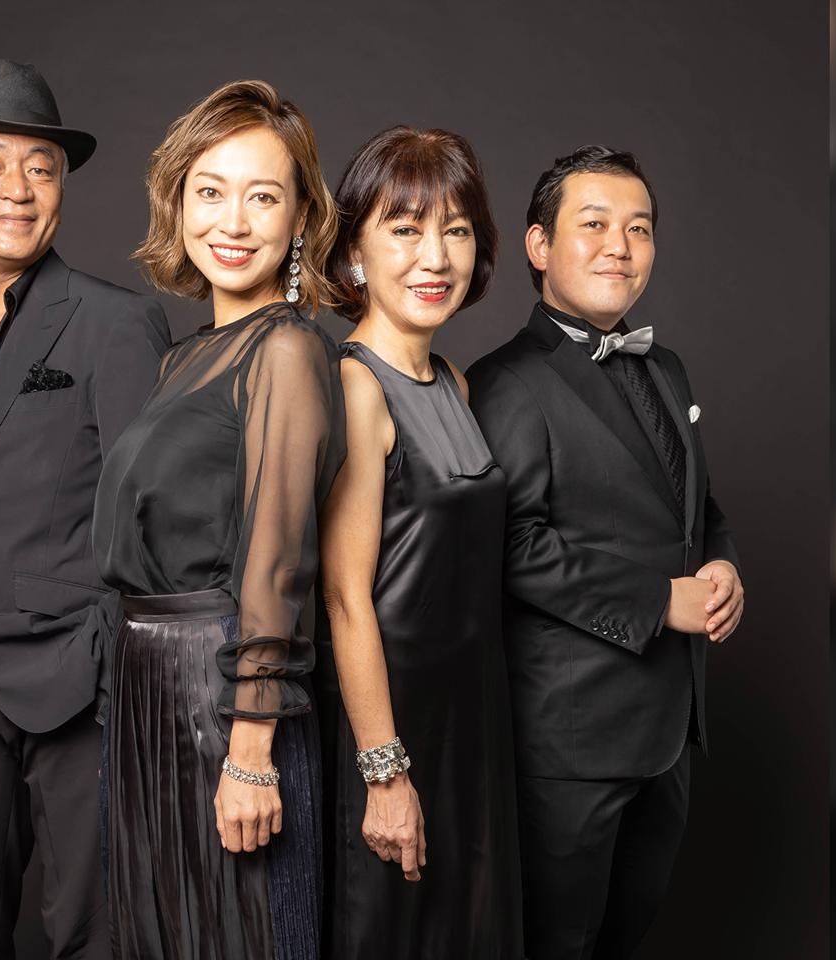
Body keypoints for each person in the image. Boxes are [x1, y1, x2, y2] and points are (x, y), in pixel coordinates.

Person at [0, 59, 170, 958]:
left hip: (80, 682)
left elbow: (150, 522)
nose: (18, 188)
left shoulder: (114, 323)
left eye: (41, 169)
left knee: (92, 926)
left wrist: (106, 667)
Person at [467, 145, 744, 959]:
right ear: (539, 245)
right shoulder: (506, 382)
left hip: (670, 731)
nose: (620, 246)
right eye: (594, 225)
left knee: (627, 935)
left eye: (639, 228)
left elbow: (698, 510)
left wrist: (723, 563)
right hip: (570, 744)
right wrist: (660, 600)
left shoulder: (668, 368)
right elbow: (509, 545)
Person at [91, 80, 345, 959]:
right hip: (147, 696)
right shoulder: (185, 356)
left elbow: (277, 568)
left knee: (245, 933)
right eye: (210, 190)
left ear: (301, 218)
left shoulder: (286, 349)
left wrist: (250, 751)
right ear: (177, 202)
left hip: (224, 699)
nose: (232, 221)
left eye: (262, 197)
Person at [314, 127, 523, 959]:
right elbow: (343, 597)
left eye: (457, 230)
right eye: (405, 230)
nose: (436, 256)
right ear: (354, 251)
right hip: (394, 724)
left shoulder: (455, 383)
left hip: (472, 721)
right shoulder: (356, 384)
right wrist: (385, 770)